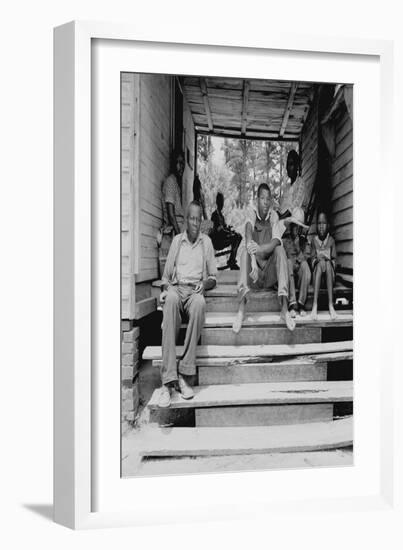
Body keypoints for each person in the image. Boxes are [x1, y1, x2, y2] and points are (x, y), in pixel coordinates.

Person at [158, 201, 217, 408]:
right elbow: (166, 277)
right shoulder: (176, 241)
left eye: (197, 218)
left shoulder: (206, 243)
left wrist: (204, 284)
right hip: (177, 288)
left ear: (201, 221)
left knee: (200, 303)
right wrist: (165, 290)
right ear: (186, 220)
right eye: (191, 218)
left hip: (194, 292)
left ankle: (184, 376)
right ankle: (167, 382)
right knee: (171, 300)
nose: (194, 222)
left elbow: (213, 277)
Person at [232, 183, 295, 334]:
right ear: (257, 199)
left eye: (268, 199)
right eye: (262, 198)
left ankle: (284, 309)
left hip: (270, 274)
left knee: (280, 249)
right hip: (255, 276)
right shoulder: (251, 213)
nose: (266, 202)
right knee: (244, 253)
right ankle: (241, 310)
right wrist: (253, 259)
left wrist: (259, 248)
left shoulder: (273, 216)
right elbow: (248, 232)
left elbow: (275, 241)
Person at [158, 150, 185, 277]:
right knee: (208, 226)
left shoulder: (176, 183)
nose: (181, 166)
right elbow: (170, 213)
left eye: (183, 163)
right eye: (178, 163)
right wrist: (179, 235)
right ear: (173, 164)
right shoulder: (170, 182)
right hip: (177, 224)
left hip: (182, 222)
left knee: (207, 228)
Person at [282, 207, 311, 317]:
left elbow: (306, 257)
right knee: (288, 262)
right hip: (289, 274)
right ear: (291, 226)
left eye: (298, 227)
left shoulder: (304, 241)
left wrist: (299, 248)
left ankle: (301, 304)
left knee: (305, 267)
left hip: (299, 274)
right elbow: (283, 258)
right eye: (295, 226)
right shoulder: (285, 240)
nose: (296, 229)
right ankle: (292, 304)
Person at [310, 211, 338, 320]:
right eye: (319, 223)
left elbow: (334, 261)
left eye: (324, 223)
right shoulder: (314, 241)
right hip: (317, 279)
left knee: (327, 263)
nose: (321, 226)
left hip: (329, 278)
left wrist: (327, 261)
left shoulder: (331, 241)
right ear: (317, 225)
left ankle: (331, 305)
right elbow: (312, 260)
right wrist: (318, 260)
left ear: (328, 225)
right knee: (320, 263)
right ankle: (315, 306)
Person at [210, 192, 242, 270]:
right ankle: (232, 261)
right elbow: (219, 231)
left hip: (222, 238)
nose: (222, 203)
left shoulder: (221, 216)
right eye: (220, 201)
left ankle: (232, 260)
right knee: (236, 237)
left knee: (238, 236)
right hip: (217, 242)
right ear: (217, 202)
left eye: (222, 201)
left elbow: (223, 228)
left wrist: (229, 229)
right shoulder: (215, 215)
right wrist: (229, 232)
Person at [279, 149, 307, 218]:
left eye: (291, 164)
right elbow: (281, 206)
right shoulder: (287, 187)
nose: (288, 168)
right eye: (287, 164)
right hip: (284, 219)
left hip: (294, 220)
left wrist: (282, 217)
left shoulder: (300, 183)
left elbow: (295, 205)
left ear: (297, 166)